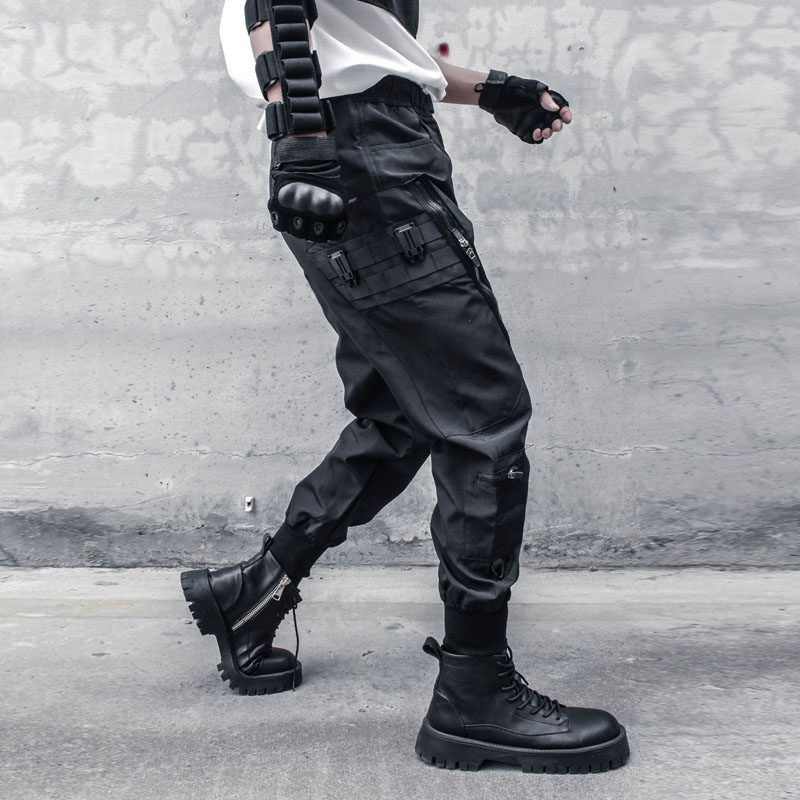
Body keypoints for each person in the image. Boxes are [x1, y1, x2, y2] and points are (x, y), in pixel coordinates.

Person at [181, 0, 629, 774]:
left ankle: (256, 590)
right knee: (483, 419)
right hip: (358, 156)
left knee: (402, 414)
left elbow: (367, 50)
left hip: (365, 143)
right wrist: (301, 138)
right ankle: (474, 695)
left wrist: (490, 89)